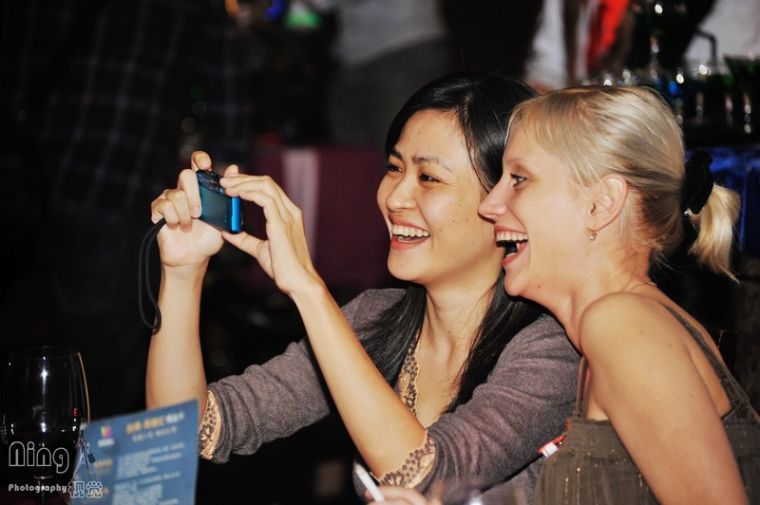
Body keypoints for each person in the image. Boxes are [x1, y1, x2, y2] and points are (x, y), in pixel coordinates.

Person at [146, 73, 579, 502]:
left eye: (428, 178)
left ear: (503, 202)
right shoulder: (375, 319)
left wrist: (309, 289)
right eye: (395, 168)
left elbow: (428, 477)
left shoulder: (553, 348)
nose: (394, 198)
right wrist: (182, 273)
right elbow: (185, 433)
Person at [477, 86, 760, 504]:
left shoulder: (622, 324)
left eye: (519, 179)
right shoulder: (628, 323)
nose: (489, 204)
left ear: (602, 203)